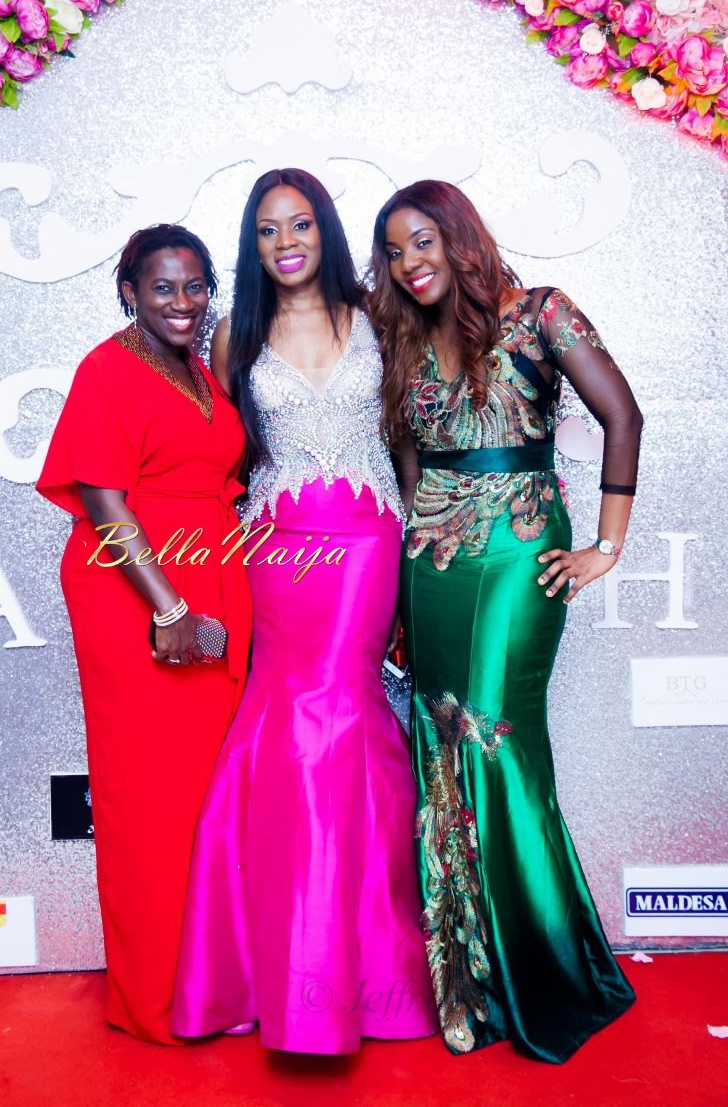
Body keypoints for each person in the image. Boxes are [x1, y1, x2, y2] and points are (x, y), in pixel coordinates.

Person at [368, 180, 641, 1063]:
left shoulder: (542, 313)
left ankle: (544, 966)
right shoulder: (403, 341)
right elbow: (411, 476)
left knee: (495, 739)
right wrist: (405, 590)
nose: (410, 263)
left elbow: (623, 414)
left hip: (521, 551)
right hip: (432, 562)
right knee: (439, 751)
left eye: (422, 242)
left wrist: (606, 546)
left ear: (459, 236)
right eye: (394, 252)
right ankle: (470, 975)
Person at [171, 169, 437, 1053]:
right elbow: (221, 451)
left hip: (369, 539)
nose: (285, 243)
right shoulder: (233, 336)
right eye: (267, 230)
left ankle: (369, 975)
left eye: (300, 225)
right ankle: (272, 968)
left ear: (325, 230)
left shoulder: (376, 316)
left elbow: (405, 438)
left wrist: (423, 543)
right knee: (285, 717)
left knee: (346, 711)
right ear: (254, 246)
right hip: (279, 546)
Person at [36, 224, 252, 1044]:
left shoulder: (196, 369)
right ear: (130, 291)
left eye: (196, 286)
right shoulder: (107, 367)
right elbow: (102, 498)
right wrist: (168, 610)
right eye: (163, 287)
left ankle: (211, 985)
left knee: (205, 798)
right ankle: (155, 1000)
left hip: (208, 575)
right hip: (137, 589)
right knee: (151, 799)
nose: (183, 302)